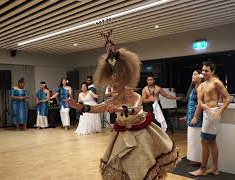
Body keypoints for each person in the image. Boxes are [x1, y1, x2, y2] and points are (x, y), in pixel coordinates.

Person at [67, 47, 180, 179]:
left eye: (117, 81)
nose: (113, 84)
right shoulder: (113, 99)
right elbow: (97, 108)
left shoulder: (135, 96)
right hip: (122, 136)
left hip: (141, 136)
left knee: (141, 165)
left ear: (126, 81)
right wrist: (77, 106)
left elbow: (136, 109)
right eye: (111, 81)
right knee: (123, 165)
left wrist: (120, 109)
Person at [190, 61, 231, 176]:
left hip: (213, 113)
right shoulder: (201, 86)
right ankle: (214, 169)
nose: (203, 72)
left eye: (206, 71)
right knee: (211, 142)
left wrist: (219, 110)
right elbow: (199, 102)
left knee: (205, 141)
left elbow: (228, 98)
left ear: (212, 71)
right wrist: (196, 116)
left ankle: (203, 169)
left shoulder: (216, 82)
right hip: (206, 114)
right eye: (202, 70)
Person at [180, 70, 203, 166]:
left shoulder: (201, 88)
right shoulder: (194, 88)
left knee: (197, 139)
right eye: (192, 74)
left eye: (195, 74)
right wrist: (187, 116)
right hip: (191, 117)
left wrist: (195, 117)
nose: (193, 76)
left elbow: (200, 104)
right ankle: (194, 157)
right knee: (192, 138)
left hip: (197, 118)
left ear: (201, 76)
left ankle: (198, 159)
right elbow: (191, 104)